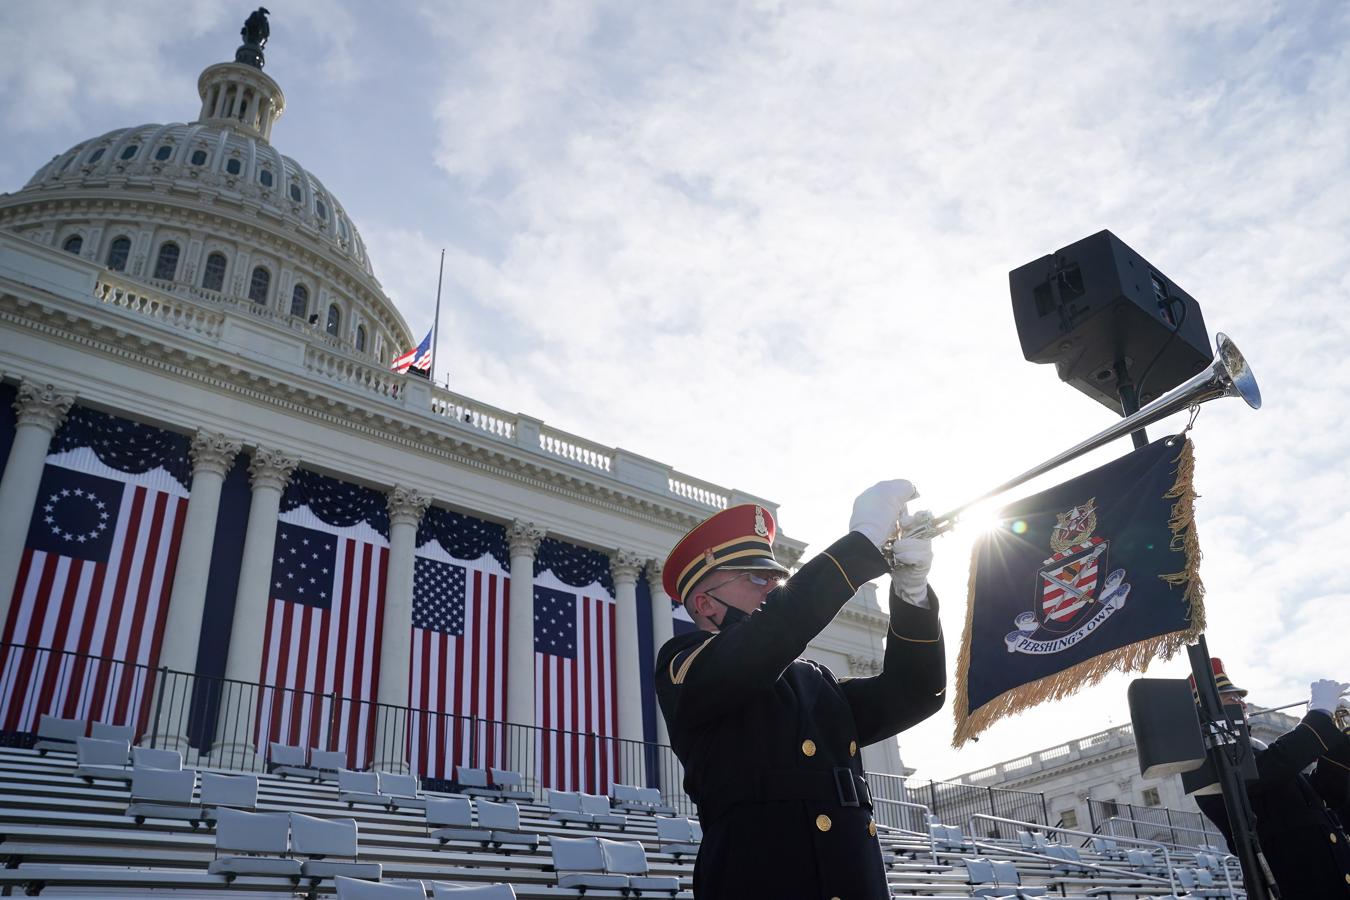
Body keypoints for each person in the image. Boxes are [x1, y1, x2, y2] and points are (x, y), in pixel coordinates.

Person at [654, 481, 945, 900]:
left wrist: (911, 593)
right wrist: (860, 546)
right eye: (757, 577)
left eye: (777, 576)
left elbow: (915, 692)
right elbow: (766, 639)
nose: (774, 587)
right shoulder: (684, 662)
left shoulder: (815, 680)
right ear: (705, 605)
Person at [1191, 659, 1350, 897]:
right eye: (1231, 698)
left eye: (1240, 697)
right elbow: (1271, 769)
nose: (1242, 704)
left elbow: (1322, 794)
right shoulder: (1206, 760)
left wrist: (1341, 735)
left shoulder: (1254, 752)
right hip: (1295, 884)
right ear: (1206, 710)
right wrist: (1318, 715)